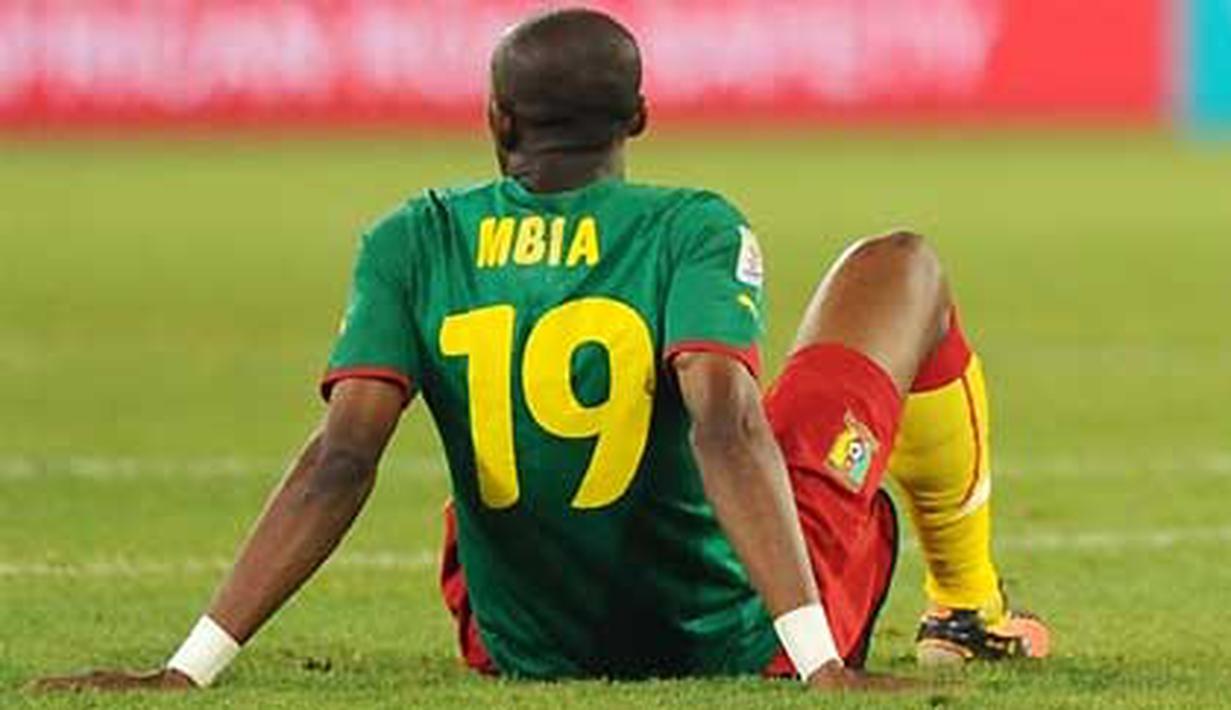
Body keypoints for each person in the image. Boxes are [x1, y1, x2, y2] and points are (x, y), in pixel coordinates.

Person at [35, 7, 1047, 694]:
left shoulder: (414, 236)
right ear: (639, 118)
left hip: (525, 646)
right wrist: (821, 662)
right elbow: (727, 424)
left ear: (497, 118)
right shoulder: (691, 223)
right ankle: (965, 602)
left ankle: (953, 607)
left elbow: (340, 458)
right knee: (899, 265)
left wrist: (185, 670)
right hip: (743, 635)